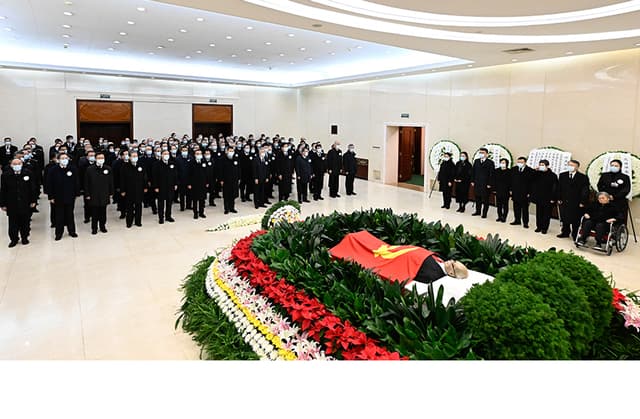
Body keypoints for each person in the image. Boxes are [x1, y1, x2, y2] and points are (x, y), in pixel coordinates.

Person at [0, 158, 37, 247]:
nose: (17, 165)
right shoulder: (6, 175)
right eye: (15, 164)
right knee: (13, 223)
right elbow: (3, 190)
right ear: (11, 165)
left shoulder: (28, 173)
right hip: (12, 202)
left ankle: (25, 237)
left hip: (25, 201)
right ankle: (14, 239)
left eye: (19, 163)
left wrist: (33, 200)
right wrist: (3, 204)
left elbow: (32, 188)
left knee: (25, 222)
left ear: (22, 164)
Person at [46, 152, 80, 241]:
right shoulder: (53, 170)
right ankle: (58, 233)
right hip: (58, 196)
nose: (64, 160)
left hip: (70, 195)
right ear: (58, 160)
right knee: (59, 216)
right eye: (62, 158)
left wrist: (77, 193)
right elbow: (49, 184)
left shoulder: (73, 169)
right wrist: (50, 197)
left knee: (70, 214)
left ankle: (72, 231)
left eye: (66, 158)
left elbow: (76, 181)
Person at [557, 160, 590, 239]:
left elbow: (585, 191)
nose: (570, 167)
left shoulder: (582, 177)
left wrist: (583, 201)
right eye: (569, 165)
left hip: (576, 201)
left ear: (577, 167)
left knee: (575, 219)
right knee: (564, 217)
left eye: (572, 165)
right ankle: (565, 232)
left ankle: (575, 234)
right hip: (564, 200)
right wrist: (559, 198)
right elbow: (559, 187)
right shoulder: (563, 175)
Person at [84, 152, 114, 234]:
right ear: (95, 159)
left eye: (102, 158)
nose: (101, 159)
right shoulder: (90, 169)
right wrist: (87, 194)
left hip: (104, 193)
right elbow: (86, 183)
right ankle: (94, 228)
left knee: (103, 212)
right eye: (99, 158)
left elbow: (111, 181)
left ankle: (102, 226)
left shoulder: (108, 168)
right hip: (94, 194)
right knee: (94, 212)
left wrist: (111, 192)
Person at [597, 159, 631, 224]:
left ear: (620, 167)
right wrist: (605, 196)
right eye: (612, 165)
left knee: (618, 219)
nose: (614, 167)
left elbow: (626, 189)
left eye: (616, 166)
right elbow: (599, 185)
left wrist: (615, 196)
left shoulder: (625, 177)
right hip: (605, 201)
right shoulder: (604, 175)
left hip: (619, 202)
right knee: (604, 218)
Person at [530, 159, 558, 234]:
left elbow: (555, 188)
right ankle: (539, 227)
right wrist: (535, 171)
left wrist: (553, 198)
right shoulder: (537, 173)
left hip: (548, 198)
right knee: (539, 213)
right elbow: (530, 179)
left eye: (542, 165)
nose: (541, 166)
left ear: (547, 166)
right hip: (539, 197)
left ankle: (544, 228)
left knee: (546, 214)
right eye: (540, 165)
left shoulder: (552, 175)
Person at [120, 151, 147, 228]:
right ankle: (129, 222)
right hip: (129, 190)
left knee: (139, 206)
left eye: (136, 156)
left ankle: (138, 221)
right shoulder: (124, 166)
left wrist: (145, 187)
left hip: (139, 189)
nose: (135, 157)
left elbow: (144, 177)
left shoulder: (141, 165)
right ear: (129, 157)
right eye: (133, 156)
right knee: (129, 207)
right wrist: (122, 190)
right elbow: (122, 179)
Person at [152, 150, 178, 224]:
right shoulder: (156, 164)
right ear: (161, 155)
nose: (166, 155)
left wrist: (175, 184)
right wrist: (156, 186)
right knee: (161, 203)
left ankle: (168, 216)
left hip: (170, 186)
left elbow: (175, 174)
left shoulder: (172, 163)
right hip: (161, 186)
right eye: (165, 154)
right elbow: (154, 176)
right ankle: (161, 217)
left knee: (169, 202)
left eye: (167, 154)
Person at [510, 157, 534, 229]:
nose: (519, 163)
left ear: (525, 162)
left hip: (525, 193)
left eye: (521, 162)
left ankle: (525, 223)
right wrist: (511, 190)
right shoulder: (514, 169)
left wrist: (530, 193)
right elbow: (511, 180)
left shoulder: (530, 170)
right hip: (515, 192)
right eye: (518, 162)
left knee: (525, 209)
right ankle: (517, 220)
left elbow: (532, 183)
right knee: (516, 207)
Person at [471, 147, 494, 218]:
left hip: (485, 184)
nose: (481, 154)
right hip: (477, 183)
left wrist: (489, 183)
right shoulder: (476, 161)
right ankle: (478, 211)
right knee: (477, 198)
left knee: (485, 199)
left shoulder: (490, 162)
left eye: (483, 153)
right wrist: (472, 181)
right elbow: (473, 171)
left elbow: (491, 174)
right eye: (480, 153)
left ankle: (484, 213)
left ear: (486, 154)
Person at [188, 149, 208, 219]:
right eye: (197, 153)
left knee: (202, 199)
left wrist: (207, 182)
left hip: (202, 183)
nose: (199, 155)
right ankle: (195, 213)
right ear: (194, 155)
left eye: (200, 153)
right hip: (194, 183)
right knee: (195, 199)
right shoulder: (191, 162)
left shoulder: (204, 162)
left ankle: (201, 212)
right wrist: (189, 183)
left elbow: (206, 173)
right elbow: (188, 174)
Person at [220, 146, 241, 214]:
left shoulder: (236, 158)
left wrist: (239, 178)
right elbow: (220, 170)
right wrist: (221, 179)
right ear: (227, 151)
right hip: (226, 180)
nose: (231, 152)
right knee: (226, 195)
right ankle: (226, 208)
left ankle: (232, 208)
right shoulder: (223, 159)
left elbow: (239, 169)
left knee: (233, 194)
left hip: (234, 180)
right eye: (230, 151)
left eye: (232, 151)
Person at [78, 150, 96, 224]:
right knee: (87, 204)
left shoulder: (97, 165)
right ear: (87, 157)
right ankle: (87, 217)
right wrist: (81, 188)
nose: (92, 157)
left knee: (95, 203)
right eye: (90, 156)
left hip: (96, 187)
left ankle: (94, 216)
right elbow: (81, 177)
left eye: (93, 156)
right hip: (86, 187)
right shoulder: (83, 165)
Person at [493, 158, 512, 223]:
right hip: (498, 190)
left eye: (504, 163)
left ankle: (504, 217)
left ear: (507, 164)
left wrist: (510, 190)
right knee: (499, 205)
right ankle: (499, 216)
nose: (502, 164)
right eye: (501, 162)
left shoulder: (509, 171)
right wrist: (494, 189)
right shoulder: (497, 170)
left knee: (505, 205)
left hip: (506, 191)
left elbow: (511, 182)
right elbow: (494, 180)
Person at [175, 146, 191, 211]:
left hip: (189, 179)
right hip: (181, 179)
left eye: (186, 150)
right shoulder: (177, 159)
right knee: (182, 194)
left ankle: (188, 205)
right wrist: (177, 180)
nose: (185, 151)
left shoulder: (190, 157)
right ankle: (182, 206)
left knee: (189, 193)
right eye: (183, 150)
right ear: (181, 151)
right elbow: (176, 170)